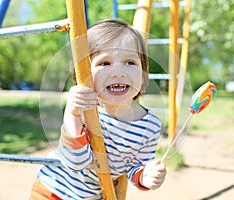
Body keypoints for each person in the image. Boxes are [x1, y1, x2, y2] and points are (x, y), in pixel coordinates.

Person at [30, 18, 166, 200]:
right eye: (105, 63)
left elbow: (135, 167)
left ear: (143, 72)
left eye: (130, 62)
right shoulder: (86, 111)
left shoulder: (150, 126)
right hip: (52, 190)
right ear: (84, 73)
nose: (119, 72)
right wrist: (72, 113)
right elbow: (76, 161)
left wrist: (146, 175)